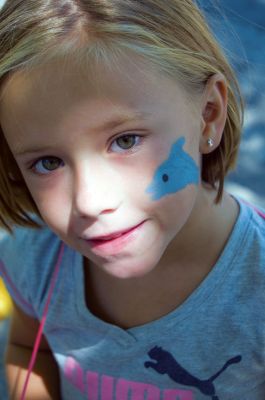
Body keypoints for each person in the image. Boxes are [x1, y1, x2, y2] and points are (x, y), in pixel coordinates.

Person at [0, 0, 264, 398]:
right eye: (48, 162)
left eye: (126, 141)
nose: (89, 202)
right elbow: (26, 345)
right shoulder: (34, 258)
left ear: (208, 114)